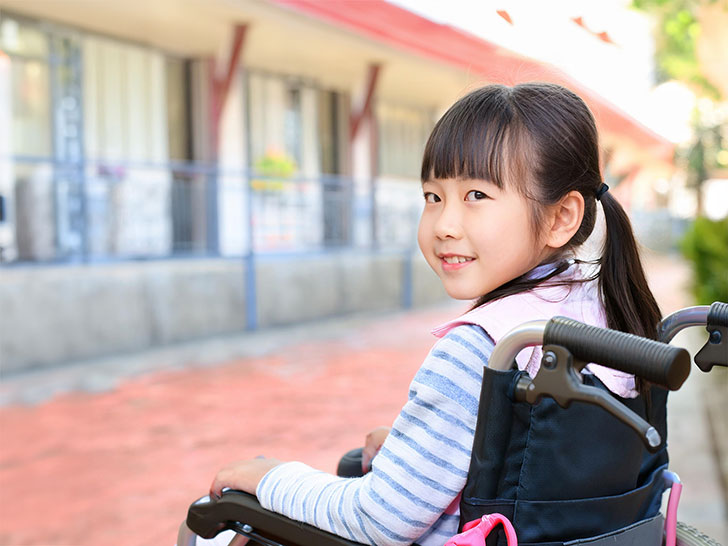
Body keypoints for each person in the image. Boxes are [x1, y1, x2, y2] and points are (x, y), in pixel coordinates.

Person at [205, 83, 663, 546]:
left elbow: (379, 521)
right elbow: (538, 467)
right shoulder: (613, 319)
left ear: (561, 216)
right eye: (433, 196)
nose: (444, 225)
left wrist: (271, 478)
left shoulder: (487, 350)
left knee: (213, 527)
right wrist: (417, 453)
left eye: (476, 196)